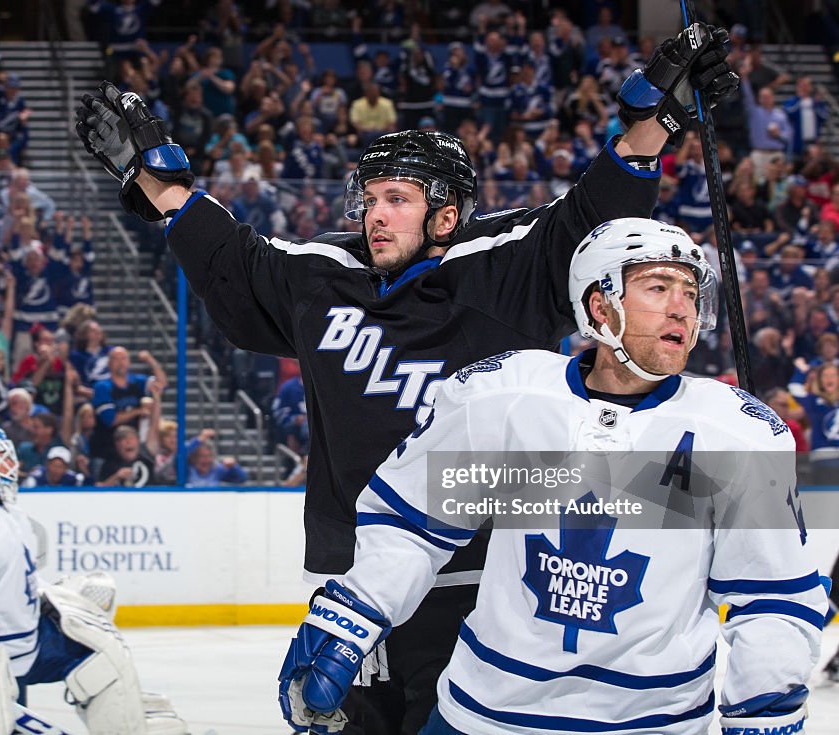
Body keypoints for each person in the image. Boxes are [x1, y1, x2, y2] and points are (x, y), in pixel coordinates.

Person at [76, 24, 737, 734]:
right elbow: (229, 258)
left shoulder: (503, 267)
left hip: (483, 577)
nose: (375, 213)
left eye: (397, 197)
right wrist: (149, 174)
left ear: (446, 212)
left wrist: (655, 126)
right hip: (358, 574)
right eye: (370, 197)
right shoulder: (324, 274)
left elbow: (591, 218)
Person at [279, 219, 827, 734]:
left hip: (654, 720)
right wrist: (349, 616)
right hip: (485, 714)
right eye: (658, 288)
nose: (681, 309)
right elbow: (414, 524)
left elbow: (774, 595)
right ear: (599, 306)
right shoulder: (507, 397)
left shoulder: (734, 432)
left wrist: (765, 704)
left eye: (689, 293)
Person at [0, 420, 187, 733]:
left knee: (95, 640)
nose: (10, 466)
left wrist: (49, 595)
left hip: (13, 650)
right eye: (0, 458)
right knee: (103, 654)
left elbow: (0, 581)